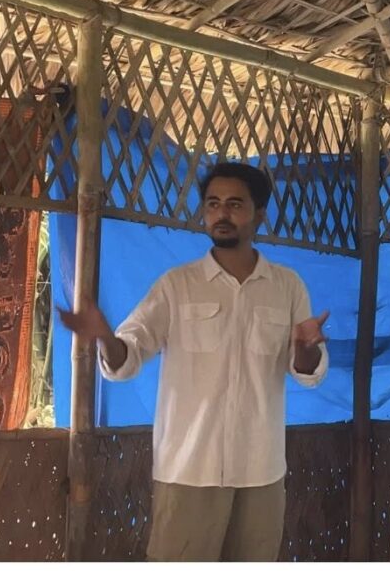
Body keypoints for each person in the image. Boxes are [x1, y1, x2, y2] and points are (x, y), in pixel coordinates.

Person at [58, 162, 330, 561]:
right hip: (188, 469)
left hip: (262, 469)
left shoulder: (287, 286)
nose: (221, 213)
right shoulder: (176, 286)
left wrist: (306, 349)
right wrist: (104, 337)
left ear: (259, 214)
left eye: (235, 204)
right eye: (213, 203)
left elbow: (306, 369)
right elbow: (129, 356)